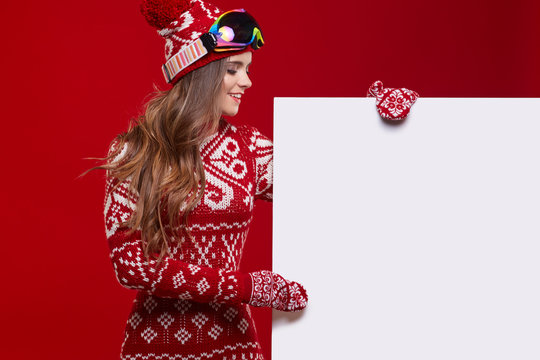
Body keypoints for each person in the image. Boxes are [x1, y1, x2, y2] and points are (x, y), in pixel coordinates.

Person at [99, 0, 308, 359]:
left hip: (235, 347)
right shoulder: (132, 152)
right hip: (154, 350)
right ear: (200, 72)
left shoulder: (250, 150)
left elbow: (334, 183)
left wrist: (372, 122)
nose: (247, 81)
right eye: (233, 69)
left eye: (246, 69)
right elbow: (132, 265)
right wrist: (246, 287)